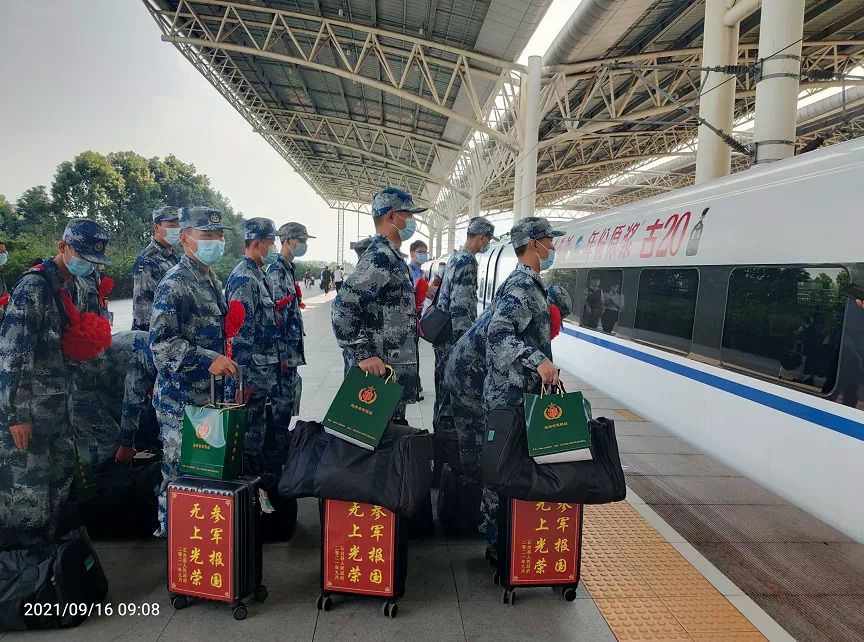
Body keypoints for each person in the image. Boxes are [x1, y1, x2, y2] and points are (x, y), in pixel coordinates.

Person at [0, 219, 111, 541]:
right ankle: (23, 571)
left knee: (59, 489)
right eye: (82, 256)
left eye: (93, 261)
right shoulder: (33, 288)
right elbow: (12, 355)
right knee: (27, 497)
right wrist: (16, 416)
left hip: (63, 407)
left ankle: (50, 566)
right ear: (63, 247)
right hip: (31, 412)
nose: (88, 265)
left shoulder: (77, 285)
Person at [443, 281, 571, 541]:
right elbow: (502, 348)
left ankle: (479, 512)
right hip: (469, 379)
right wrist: (537, 363)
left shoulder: (524, 312)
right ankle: (477, 520)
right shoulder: (522, 305)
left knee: (487, 450)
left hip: (472, 374)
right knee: (485, 451)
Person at [150, 206, 236, 536]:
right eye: (207, 235)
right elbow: (161, 344)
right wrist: (205, 359)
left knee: (205, 474)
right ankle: (173, 544)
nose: (215, 241)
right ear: (186, 239)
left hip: (207, 399)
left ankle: (198, 543)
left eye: (219, 235)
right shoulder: (175, 283)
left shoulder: (211, 279)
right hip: (179, 402)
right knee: (179, 475)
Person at [482, 216, 563, 562]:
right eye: (549, 241)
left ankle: (507, 540)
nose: (553, 247)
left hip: (518, 393)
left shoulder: (530, 285)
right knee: (504, 468)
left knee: (509, 466)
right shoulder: (522, 287)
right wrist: (538, 361)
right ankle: (500, 543)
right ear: (534, 245)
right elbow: (498, 334)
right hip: (510, 395)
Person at [332, 187, 421, 422]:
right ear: (391, 216)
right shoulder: (380, 257)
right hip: (377, 376)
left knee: (387, 442)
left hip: (388, 375)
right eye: (408, 215)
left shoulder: (391, 256)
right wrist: (364, 355)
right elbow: (343, 307)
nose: (412, 221)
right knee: (371, 444)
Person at [225, 218, 283, 460]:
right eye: (271, 242)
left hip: (261, 375)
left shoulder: (260, 275)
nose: (275, 248)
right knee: (246, 442)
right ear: (257, 243)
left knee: (257, 437)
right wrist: (242, 381)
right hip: (250, 378)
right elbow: (239, 335)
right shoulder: (244, 279)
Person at [433, 217, 496, 421]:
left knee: (442, 390)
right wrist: (467, 346)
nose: (487, 244)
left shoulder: (455, 257)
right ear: (481, 237)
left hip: (443, 335)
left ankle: (440, 436)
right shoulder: (467, 261)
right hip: (454, 339)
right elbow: (461, 308)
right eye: (488, 239)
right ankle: (447, 441)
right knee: (454, 394)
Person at [74, 331, 157, 467]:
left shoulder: (161, 351)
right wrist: (126, 445)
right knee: (111, 438)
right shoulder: (144, 360)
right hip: (80, 388)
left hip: (105, 384)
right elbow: (132, 402)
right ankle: (101, 478)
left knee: (127, 426)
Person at [268, 222, 314, 426]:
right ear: (286, 241)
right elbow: (276, 317)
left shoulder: (288, 269)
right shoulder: (277, 271)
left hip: (290, 352)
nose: (304, 245)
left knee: (288, 401)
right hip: (283, 354)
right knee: (281, 403)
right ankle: (276, 450)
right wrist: (282, 354)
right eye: (300, 241)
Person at [132, 206, 181, 332]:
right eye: (171, 226)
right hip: (156, 337)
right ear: (156, 228)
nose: (177, 230)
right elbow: (143, 312)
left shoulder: (175, 257)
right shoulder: (147, 260)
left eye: (179, 226)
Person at [341, 237, 374, 375]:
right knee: (359, 393)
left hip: (363, 351)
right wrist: (362, 354)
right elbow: (342, 313)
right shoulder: (362, 278)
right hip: (363, 355)